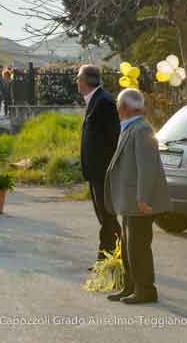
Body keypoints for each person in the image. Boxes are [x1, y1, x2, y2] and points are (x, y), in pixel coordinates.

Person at [104, 88, 171, 304]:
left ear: (123, 108)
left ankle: (146, 290)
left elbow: (147, 168)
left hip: (138, 202)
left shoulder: (141, 130)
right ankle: (130, 286)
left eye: (117, 105)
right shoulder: (131, 127)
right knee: (128, 246)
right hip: (129, 201)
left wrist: (143, 198)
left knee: (138, 248)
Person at [77, 64, 122, 267]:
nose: (77, 82)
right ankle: (117, 254)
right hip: (95, 171)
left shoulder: (104, 102)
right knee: (105, 217)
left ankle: (109, 257)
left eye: (79, 78)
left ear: (85, 81)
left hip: (103, 171)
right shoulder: (96, 100)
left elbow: (113, 138)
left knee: (107, 216)